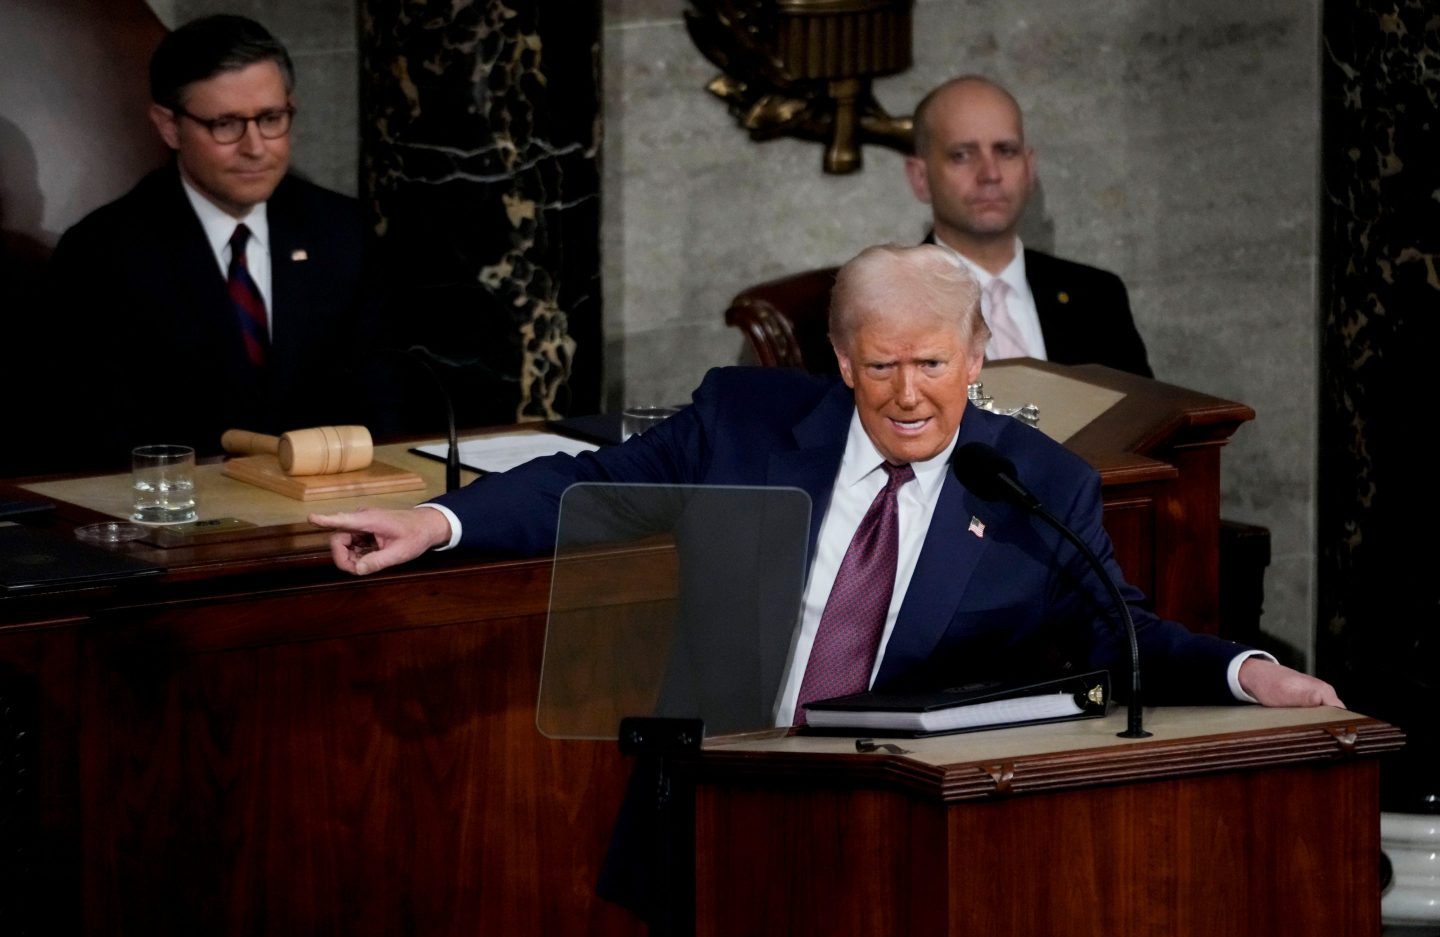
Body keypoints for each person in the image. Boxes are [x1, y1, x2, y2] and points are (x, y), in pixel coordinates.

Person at [311, 244, 1337, 714]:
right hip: (718, 791)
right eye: (879, 364)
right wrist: (437, 521)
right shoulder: (745, 424)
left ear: (976, 360)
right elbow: (588, 483)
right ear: (841, 362)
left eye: (932, 363)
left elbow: (1121, 635)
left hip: (898, 811)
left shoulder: (1034, 485)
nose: (906, 393)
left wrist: (1248, 673)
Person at [36, 14, 386, 472]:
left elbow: (381, 402)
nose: (256, 147)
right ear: (169, 126)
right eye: (225, 124)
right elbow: (89, 433)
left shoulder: (341, 231)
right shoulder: (104, 252)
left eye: (271, 118)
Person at [906, 75, 1153, 377]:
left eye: (1005, 151)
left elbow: (1148, 421)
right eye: (962, 155)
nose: (990, 173)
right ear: (920, 177)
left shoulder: (1097, 296)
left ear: (1029, 167)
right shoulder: (884, 303)